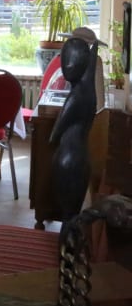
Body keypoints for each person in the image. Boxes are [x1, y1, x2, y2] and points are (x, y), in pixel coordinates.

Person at [50, 28, 104, 229]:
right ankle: (68, 236)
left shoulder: (79, 93)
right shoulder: (86, 89)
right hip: (78, 155)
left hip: (70, 158)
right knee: (71, 211)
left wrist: (53, 137)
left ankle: (67, 237)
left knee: (69, 211)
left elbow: (56, 132)